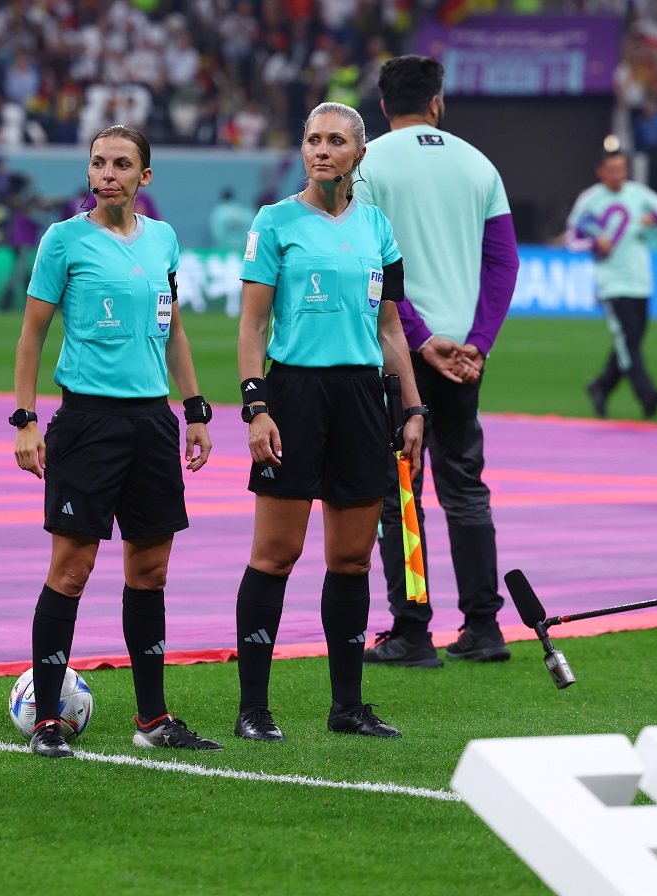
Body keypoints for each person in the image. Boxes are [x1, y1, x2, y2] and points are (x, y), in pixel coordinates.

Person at [13, 124, 222, 759]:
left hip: (152, 424)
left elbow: (175, 330)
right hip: (86, 425)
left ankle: (154, 718)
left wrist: (194, 410)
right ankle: (49, 718)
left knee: (150, 570)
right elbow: (31, 337)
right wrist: (23, 419)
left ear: (144, 177)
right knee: (71, 571)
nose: (107, 173)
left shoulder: (162, 240)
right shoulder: (63, 240)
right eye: (99, 163)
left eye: (122, 164)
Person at [234, 101, 423, 743]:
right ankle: (254, 709)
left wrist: (413, 406)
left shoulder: (377, 228)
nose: (321, 150)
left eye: (336, 141)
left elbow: (390, 328)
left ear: (358, 155)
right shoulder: (275, 222)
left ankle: (348, 707)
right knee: (277, 553)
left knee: (350, 559)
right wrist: (256, 405)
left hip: (362, 399)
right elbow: (253, 325)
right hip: (294, 395)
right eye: (313, 139)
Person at [354, 55, 521, 668]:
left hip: (402, 349)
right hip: (464, 354)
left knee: (403, 489)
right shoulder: (479, 163)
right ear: (438, 102)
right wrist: (477, 341)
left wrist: (420, 340)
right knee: (466, 484)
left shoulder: (368, 162)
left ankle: (412, 628)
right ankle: (484, 626)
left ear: (381, 106)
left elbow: (373, 264)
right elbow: (503, 263)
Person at [566, 144, 657, 420]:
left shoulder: (637, 194)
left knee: (631, 340)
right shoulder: (590, 200)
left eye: (622, 169)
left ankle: (601, 386)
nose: (618, 175)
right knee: (628, 342)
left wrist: (654, 217)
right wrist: (595, 243)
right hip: (611, 281)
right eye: (612, 170)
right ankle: (647, 395)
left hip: (640, 279)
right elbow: (571, 239)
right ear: (600, 172)